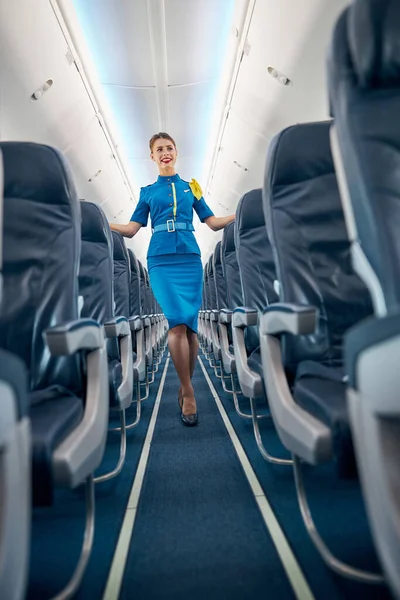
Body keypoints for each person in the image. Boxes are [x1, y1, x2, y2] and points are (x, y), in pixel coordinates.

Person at [110, 133, 235, 426]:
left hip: (189, 259)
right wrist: (98, 221)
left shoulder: (191, 186)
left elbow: (212, 222)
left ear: (176, 152)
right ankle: (189, 392)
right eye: (159, 150)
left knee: (190, 329)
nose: (165, 153)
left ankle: (183, 386)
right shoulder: (147, 191)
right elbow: (130, 230)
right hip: (161, 261)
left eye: (169, 148)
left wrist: (239, 213)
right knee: (176, 322)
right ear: (151, 156)